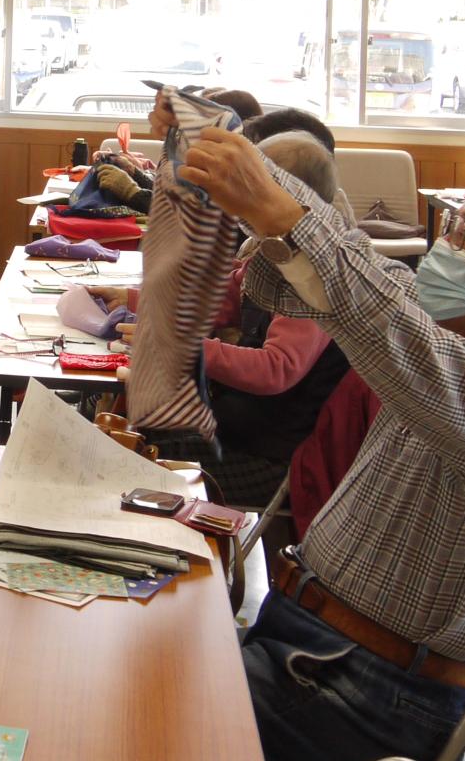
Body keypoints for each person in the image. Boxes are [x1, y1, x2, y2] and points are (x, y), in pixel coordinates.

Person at [179, 126, 465, 761]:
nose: (447, 248)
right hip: (315, 649)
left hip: (362, 694)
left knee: (121, 695)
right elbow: (339, 271)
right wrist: (252, 184)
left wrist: (281, 210)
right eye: (454, 227)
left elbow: (374, 309)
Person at [98, 132, 349, 505]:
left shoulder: (316, 274)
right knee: (125, 433)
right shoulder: (271, 249)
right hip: (234, 428)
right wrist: (139, 302)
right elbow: (221, 301)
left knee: (119, 468)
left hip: (269, 458)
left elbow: (275, 368)